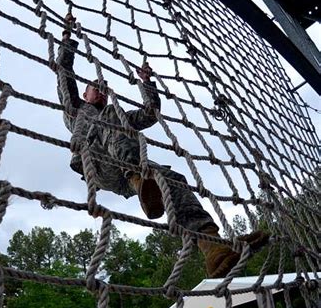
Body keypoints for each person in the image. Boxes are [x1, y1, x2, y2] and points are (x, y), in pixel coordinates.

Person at [56, 15, 266, 278]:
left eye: (104, 88)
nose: (100, 91)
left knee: (174, 180)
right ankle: (138, 176)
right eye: (94, 88)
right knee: (112, 117)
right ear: (85, 94)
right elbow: (64, 74)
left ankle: (213, 249)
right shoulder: (76, 110)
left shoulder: (116, 112)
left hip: (130, 172)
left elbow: (150, 114)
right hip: (97, 164)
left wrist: (146, 83)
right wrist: (66, 37)